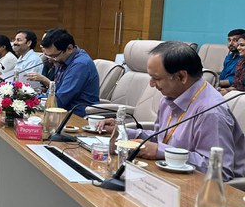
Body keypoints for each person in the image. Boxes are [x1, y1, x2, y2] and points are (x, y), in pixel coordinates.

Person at [98, 41, 245, 181]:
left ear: (181, 76)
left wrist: (160, 152)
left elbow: (220, 170)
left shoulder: (210, 112)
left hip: (202, 192)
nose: (151, 84)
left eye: (156, 78)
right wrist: (123, 131)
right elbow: (161, 138)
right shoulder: (171, 98)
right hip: (169, 177)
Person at [27, 28, 99, 117]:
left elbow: (60, 100)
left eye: (54, 56)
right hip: (60, 111)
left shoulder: (80, 64)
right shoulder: (61, 60)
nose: (51, 60)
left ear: (69, 48)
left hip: (77, 116)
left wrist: (32, 101)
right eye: (48, 56)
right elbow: (53, 92)